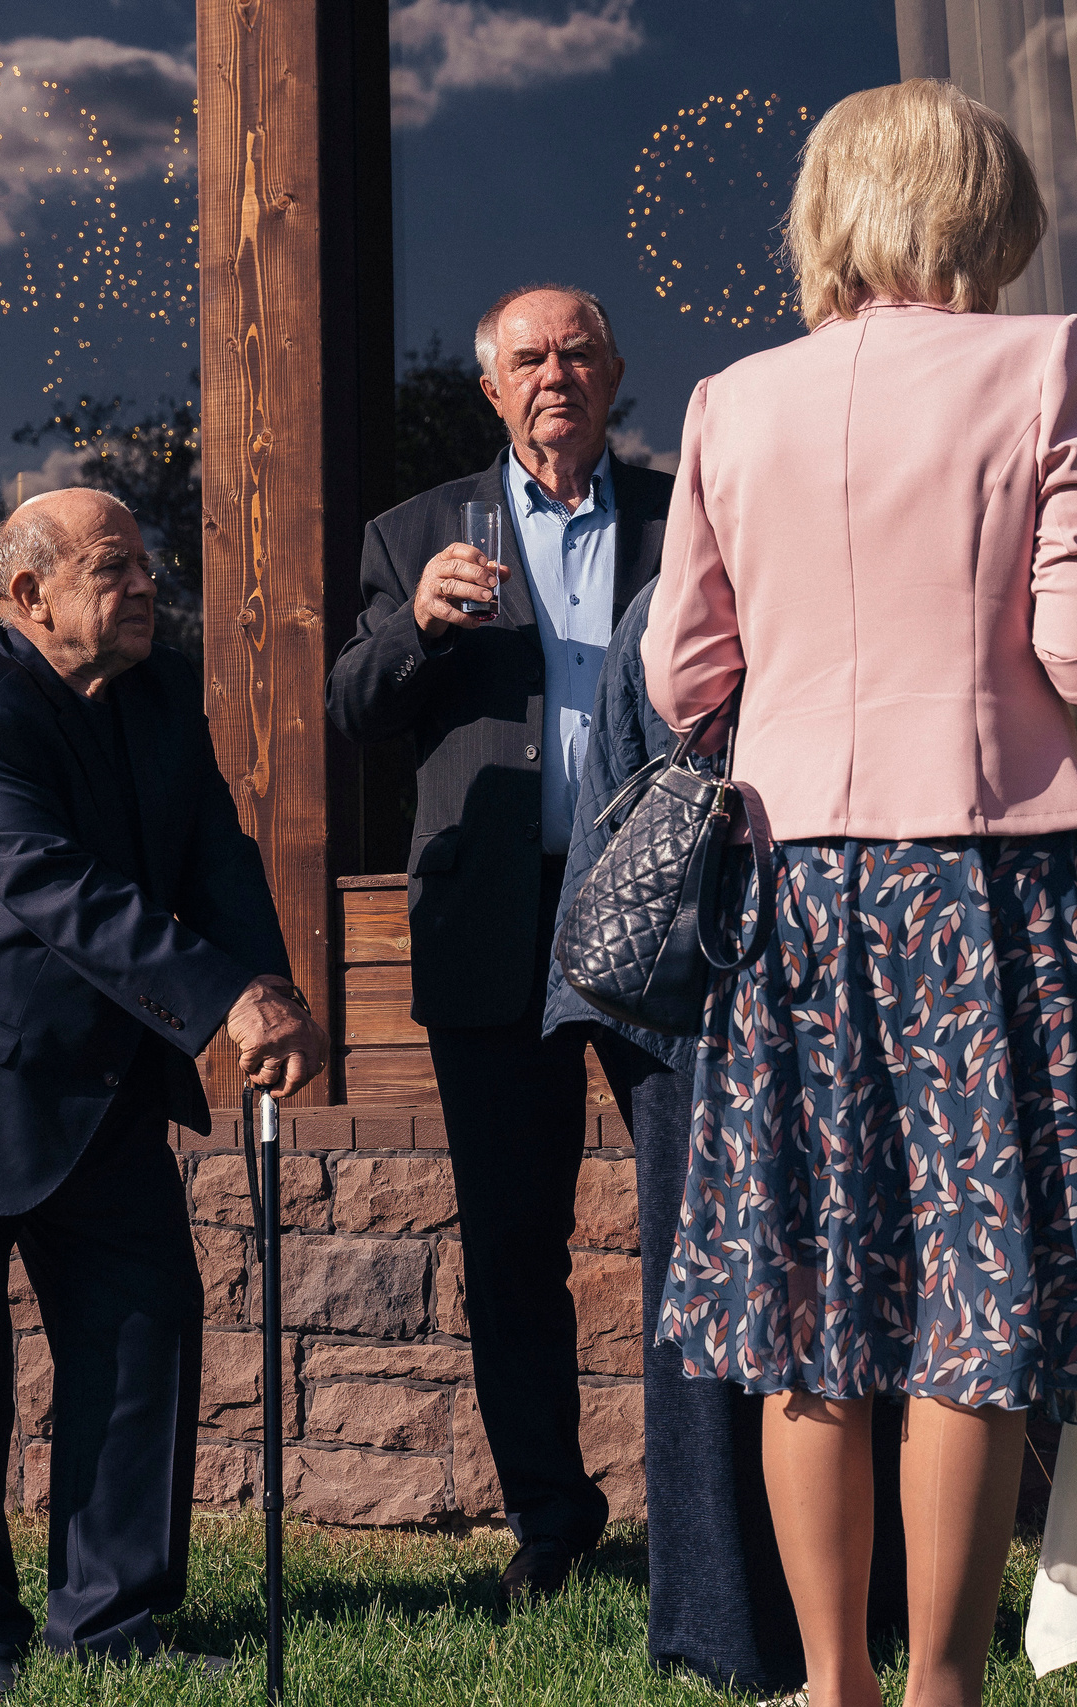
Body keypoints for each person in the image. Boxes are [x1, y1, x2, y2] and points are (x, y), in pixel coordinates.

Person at [640, 81, 1077, 1707]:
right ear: (982, 208)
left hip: (796, 889)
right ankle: (942, 1679)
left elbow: (684, 673)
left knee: (811, 1282)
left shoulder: (732, 398)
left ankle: (833, 1684)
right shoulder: (1044, 361)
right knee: (974, 1276)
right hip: (983, 887)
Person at [0, 488, 329, 1700]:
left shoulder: (157, 693)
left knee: (144, 1325)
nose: (147, 584)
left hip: (94, 1080)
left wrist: (266, 980)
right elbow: (54, 888)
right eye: (114, 568)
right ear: (26, 595)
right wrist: (219, 1002)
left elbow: (214, 846)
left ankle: (114, 1619)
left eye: (146, 564)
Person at [327, 285, 673, 1605]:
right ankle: (551, 1511)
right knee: (512, 1242)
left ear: (612, 372)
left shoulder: (678, 514)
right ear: (491, 389)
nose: (555, 373)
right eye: (528, 357)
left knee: (695, 1213)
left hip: (655, 912)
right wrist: (416, 623)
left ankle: (711, 1496)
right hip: (491, 923)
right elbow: (352, 707)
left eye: (577, 352)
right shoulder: (416, 532)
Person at [542, 579, 909, 1695]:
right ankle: (731, 1625)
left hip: (731, 995)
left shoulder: (717, 582)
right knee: (751, 1315)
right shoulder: (702, 595)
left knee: (800, 1307)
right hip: (711, 996)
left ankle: (802, 1622)